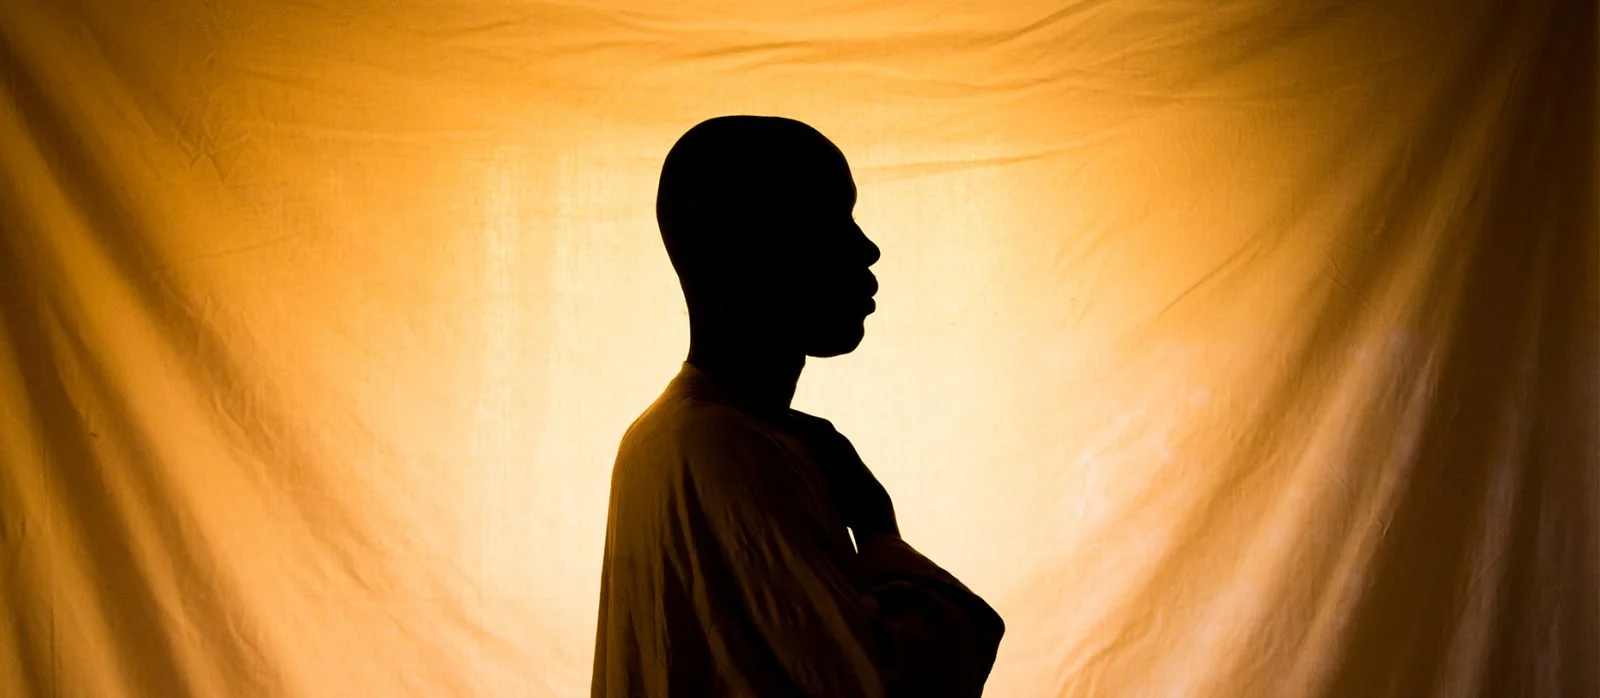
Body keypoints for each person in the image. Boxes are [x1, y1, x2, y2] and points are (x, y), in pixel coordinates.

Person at [590, 115, 1005, 698]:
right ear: (747, 249)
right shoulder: (725, 449)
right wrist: (878, 530)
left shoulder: (657, 439)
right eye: (830, 221)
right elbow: (884, 685)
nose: (868, 248)